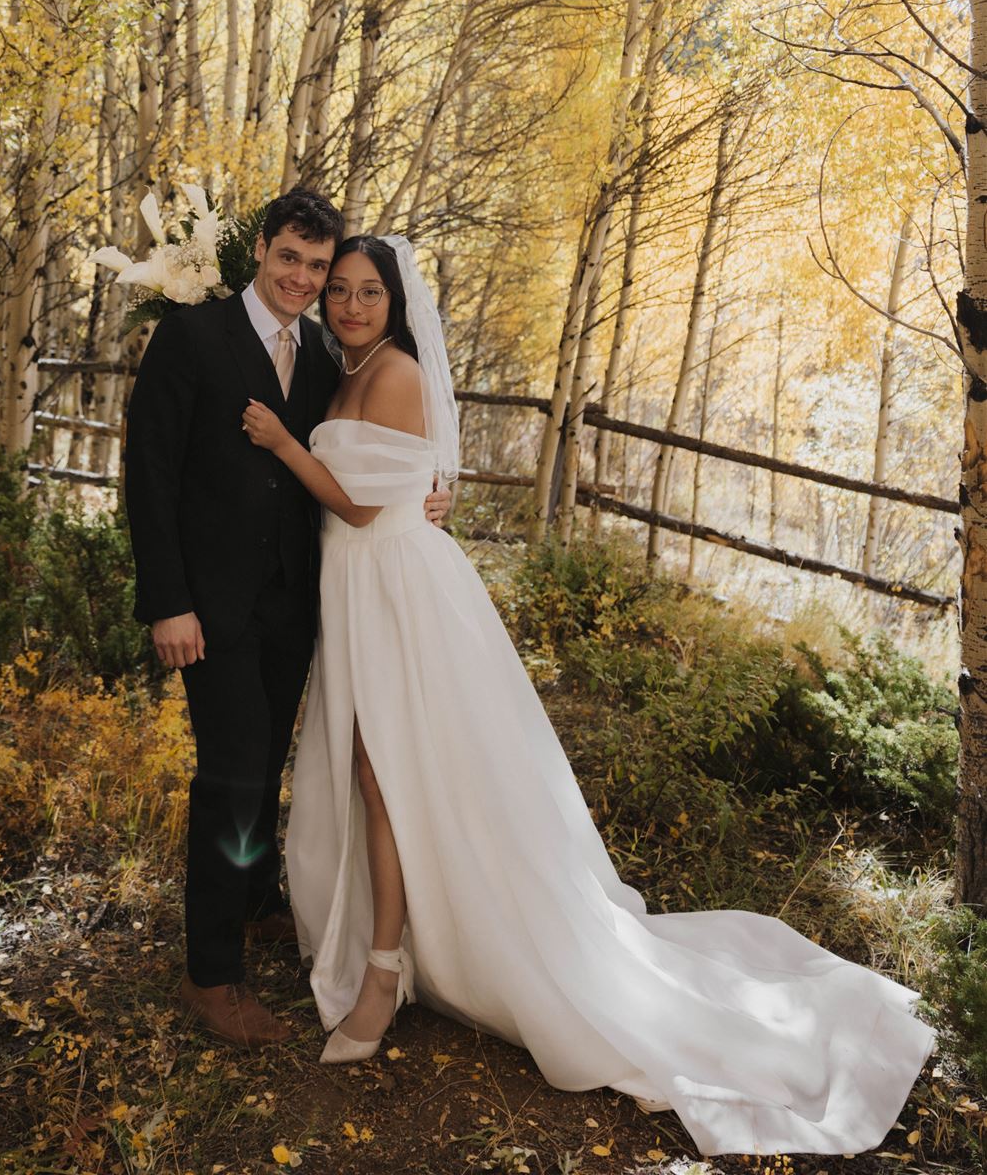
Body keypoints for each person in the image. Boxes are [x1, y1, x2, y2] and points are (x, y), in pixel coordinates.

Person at [241, 233, 935, 1157]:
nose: (351, 304)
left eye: (369, 292)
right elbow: (388, 484)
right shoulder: (342, 365)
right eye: (339, 290)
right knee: (383, 771)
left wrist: (287, 442)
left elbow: (365, 504)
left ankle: (382, 967)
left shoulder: (396, 370)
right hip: (365, 589)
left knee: (388, 771)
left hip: (400, 591)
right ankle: (393, 946)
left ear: (395, 304)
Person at [123, 190, 450, 1049]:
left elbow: (361, 462)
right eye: (290, 261)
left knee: (265, 762)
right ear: (259, 251)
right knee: (230, 776)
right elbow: (148, 476)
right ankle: (212, 973)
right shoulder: (191, 338)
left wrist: (424, 492)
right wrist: (168, 602)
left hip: (298, 605)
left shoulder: (322, 354)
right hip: (210, 608)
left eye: (320, 267)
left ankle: (254, 896)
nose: (306, 281)